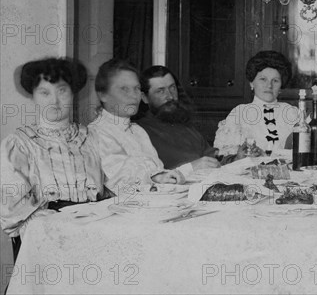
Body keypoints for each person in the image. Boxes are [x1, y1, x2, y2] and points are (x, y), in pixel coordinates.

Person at [0, 58, 107, 240]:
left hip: (95, 230)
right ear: (33, 96)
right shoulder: (20, 144)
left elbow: (115, 183)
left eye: (62, 91)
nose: (55, 101)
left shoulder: (92, 138)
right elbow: (12, 206)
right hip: (46, 235)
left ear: (73, 93)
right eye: (44, 93)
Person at [89, 59, 184, 192]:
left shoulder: (137, 130)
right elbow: (118, 183)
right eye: (124, 89)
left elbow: (158, 170)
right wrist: (156, 178)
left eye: (137, 88)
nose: (134, 96)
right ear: (103, 95)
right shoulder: (97, 133)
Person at [136, 65, 227, 170]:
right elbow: (147, 175)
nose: (170, 96)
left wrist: (235, 158)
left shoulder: (184, 124)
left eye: (172, 88)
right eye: (160, 91)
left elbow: (213, 156)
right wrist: (191, 167)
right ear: (144, 98)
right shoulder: (139, 131)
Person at [214, 51, 299, 156]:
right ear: (251, 83)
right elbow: (227, 156)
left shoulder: (291, 112)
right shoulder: (239, 113)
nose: (269, 86)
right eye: (263, 79)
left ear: (281, 85)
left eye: (275, 81)